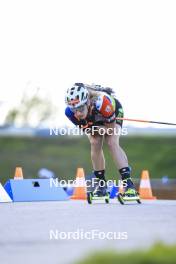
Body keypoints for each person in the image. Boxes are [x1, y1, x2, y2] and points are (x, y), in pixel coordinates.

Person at [65, 82, 138, 198]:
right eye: (74, 109)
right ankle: (101, 185)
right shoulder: (69, 113)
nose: (77, 113)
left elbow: (110, 130)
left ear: (87, 102)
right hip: (94, 118)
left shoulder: (102, 102)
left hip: (110, 111)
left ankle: (128, 184)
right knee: (94, 142)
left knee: (111, 142)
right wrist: (95, 128)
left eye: (79, 108)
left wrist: (98, 127)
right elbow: (90, 131)